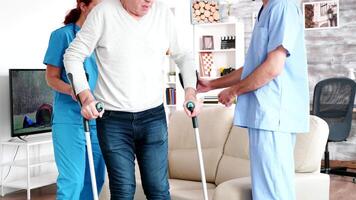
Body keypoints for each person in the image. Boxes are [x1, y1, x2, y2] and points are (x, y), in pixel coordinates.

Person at [63, 0, 201, 199]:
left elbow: (183, 56)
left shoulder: (162, 13)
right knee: (123, 190)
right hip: (112, 120)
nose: (149, 1)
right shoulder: (103, 13)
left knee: (158, 190)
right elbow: (73, 56)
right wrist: (85, 96)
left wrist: (190, 92)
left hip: (153, 116)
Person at [198, 0, 309, 199]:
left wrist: (234, 92)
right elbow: (253, 67)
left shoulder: (282, 6)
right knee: (265, 192)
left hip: (274, 114)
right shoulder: (266, 9)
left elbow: (273, 68)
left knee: (274, 193)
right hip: (264, 115)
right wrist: (212, 84)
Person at [43, 0, 105, 199]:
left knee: (95, 179)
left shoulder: (104, 37)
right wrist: (71, 89)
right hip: (69, 119)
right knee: (73, 181)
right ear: (83, 6)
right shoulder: (62, 36)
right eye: (97, 6)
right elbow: (51, 78)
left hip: (100, 117)